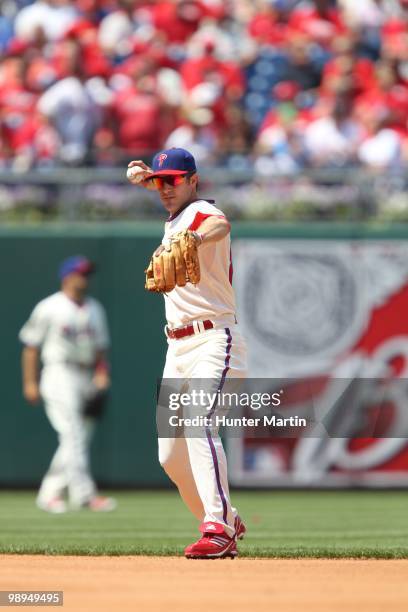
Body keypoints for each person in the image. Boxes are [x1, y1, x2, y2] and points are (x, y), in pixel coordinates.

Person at [128, 147, 247, 559]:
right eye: (161, 181)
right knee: (170, 456)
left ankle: (218, 528)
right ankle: (226, 517)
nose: (166, 187)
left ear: (194, 180)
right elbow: (156, 184)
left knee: (199, 422)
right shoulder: (173, 211)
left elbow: (220, 223)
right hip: (175, 346)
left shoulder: (200, 214)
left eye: (174, 179)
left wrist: (194, 237)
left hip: (214, 338)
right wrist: (144, 175)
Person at [19, 255, 116, 514]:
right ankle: (85, 495)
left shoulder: (95, 308)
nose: (84, 278)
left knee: (77, 437)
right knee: (72, 433)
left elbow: (101, 349)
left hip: (86, 375)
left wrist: (102, 373)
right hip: (58, 372)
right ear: (67, 276)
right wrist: (30, 382)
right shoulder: (49, 307)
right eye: (80, 273)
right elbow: (30, 347)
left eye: (87, 274)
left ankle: (49, 493)